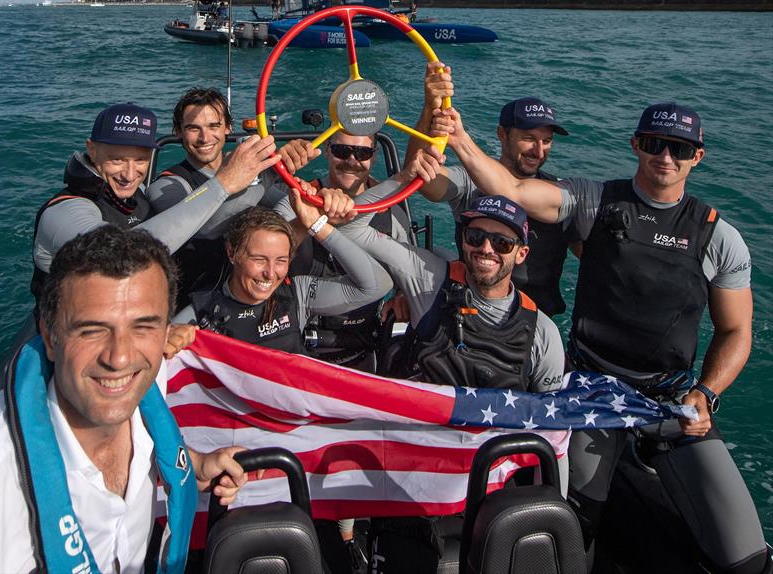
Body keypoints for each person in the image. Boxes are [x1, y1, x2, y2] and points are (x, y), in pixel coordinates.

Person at [424, 100, 767, 574]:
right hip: (592, 390)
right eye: (653, 144)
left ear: (697, 156)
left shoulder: (718, 236)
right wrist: (459, 137)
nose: (664, 157)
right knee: (576, 524)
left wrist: (706, 393)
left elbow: (736, 330)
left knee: (745, 556)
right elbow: (515, 190)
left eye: (678, 148)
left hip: (671, 399)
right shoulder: (594, 200)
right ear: (636, 146)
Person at [0, 226, 248, 574]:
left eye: (143, 327)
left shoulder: (149, 384)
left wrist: (194, 465)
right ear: (50, 336)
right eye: (92, 330)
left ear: (166, 331)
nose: (119, 357)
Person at [343, 185, 565, 574]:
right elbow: (355, 228)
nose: (486, 249)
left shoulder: (542, 333)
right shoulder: (429, 280)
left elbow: (555, 434)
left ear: (521, 252)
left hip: (491, 490)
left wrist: (552, 510)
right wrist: (408, 174)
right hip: (415, 480)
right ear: (463, 240)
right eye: (476, 237)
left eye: (502, 242)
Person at [32, 101, 282, 304]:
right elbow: (119, 255)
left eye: (140, 160)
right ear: (92, 150)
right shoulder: (66, 209)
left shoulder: (137, 193)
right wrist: (224, 183)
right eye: (117, 160)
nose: (129, 175)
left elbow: (191, 228)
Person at [407, 65, 577, 316]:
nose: (539, 152)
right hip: (474, 316)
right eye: (529, 138)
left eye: (547, 141)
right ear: (501, 135)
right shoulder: (470, 182)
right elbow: (426, 181)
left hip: (537, 323)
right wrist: (429, 110)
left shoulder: (557, 192)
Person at [147, 88, 317, 306]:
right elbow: (202, 230)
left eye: (213, 126)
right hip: (200, 300)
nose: (204, 137)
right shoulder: (168, 185)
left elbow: (281, 207)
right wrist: (269, 172)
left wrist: (302, 193)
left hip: (257, 288)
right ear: (178, 132)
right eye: (193, 128)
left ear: (228, 128)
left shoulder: (251, 175)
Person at [173, 194, 393, 356]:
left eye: (281, 260)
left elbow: (376, 286)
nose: (270, 273)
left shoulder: (298, 294)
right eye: (259, 259)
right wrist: (171, 339)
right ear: (232, 253)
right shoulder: (201, 312)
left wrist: (317, 225)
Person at [275, 131, 411, 370]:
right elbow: (266, 256)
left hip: (365, 343)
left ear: (374, 157)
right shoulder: (297, 201)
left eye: (362, 152)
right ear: (326, 150)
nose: (351, 160)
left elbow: (408, 270)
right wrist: (309, 221)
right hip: (298, 339)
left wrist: (402, 296)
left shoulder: (393, 216)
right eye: (341, 151)